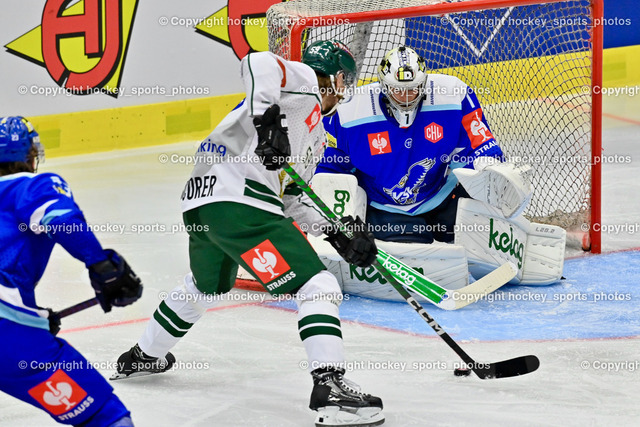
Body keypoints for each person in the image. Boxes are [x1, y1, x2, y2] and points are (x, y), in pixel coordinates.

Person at [113, 41, 385, 427]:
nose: (343, 90)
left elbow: (290, 200)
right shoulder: (304, 82)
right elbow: (256, 61)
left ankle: (142, 354)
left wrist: (336, 232)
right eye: (344, 81)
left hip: (204, 207)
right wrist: (266, 119)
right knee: (318, 286)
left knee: (204, 287)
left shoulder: (317, 137)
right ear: (338, 78)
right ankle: (330, 385)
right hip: (241, 205)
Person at [311, 46, 565, 296]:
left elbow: (482, 146)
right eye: (399, 90)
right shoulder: (348, 112)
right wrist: (338, 227)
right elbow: (331, 172)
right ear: (384, 86)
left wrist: (492, 171)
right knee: (415, 254)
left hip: (442, 196)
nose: (407, 97)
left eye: (413, 89)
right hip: (385, 207)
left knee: (482, 236)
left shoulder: (453, 95)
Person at [0, 116, 143, 425]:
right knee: (105, 417)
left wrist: (32, 315)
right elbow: (60, 219)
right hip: (8, 334)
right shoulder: (30, 186)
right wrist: (102, 266)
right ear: (26, 155)